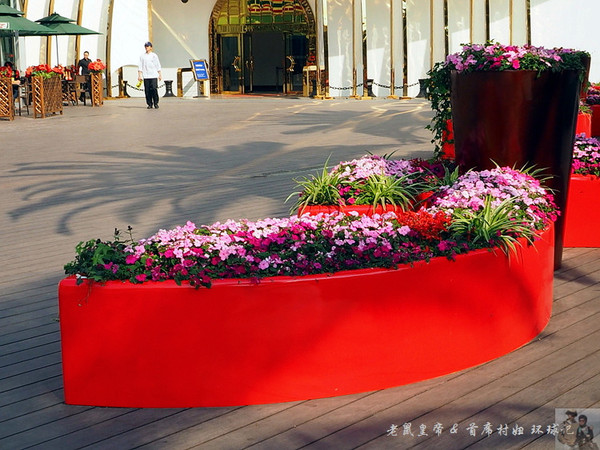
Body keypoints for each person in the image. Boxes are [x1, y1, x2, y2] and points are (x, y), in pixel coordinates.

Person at [138, 42, 162, 109]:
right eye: (145, 46)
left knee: (154, 89)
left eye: (148, 46)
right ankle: (149, 104)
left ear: (151, 47)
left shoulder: (154, 55)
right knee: (147, 90)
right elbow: (140, 66)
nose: (146, 47)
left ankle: (156, 103)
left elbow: (157, 65)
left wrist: (159, 74)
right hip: (146, 75)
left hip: (153, 75)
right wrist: (139, 75)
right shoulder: (142, 56)